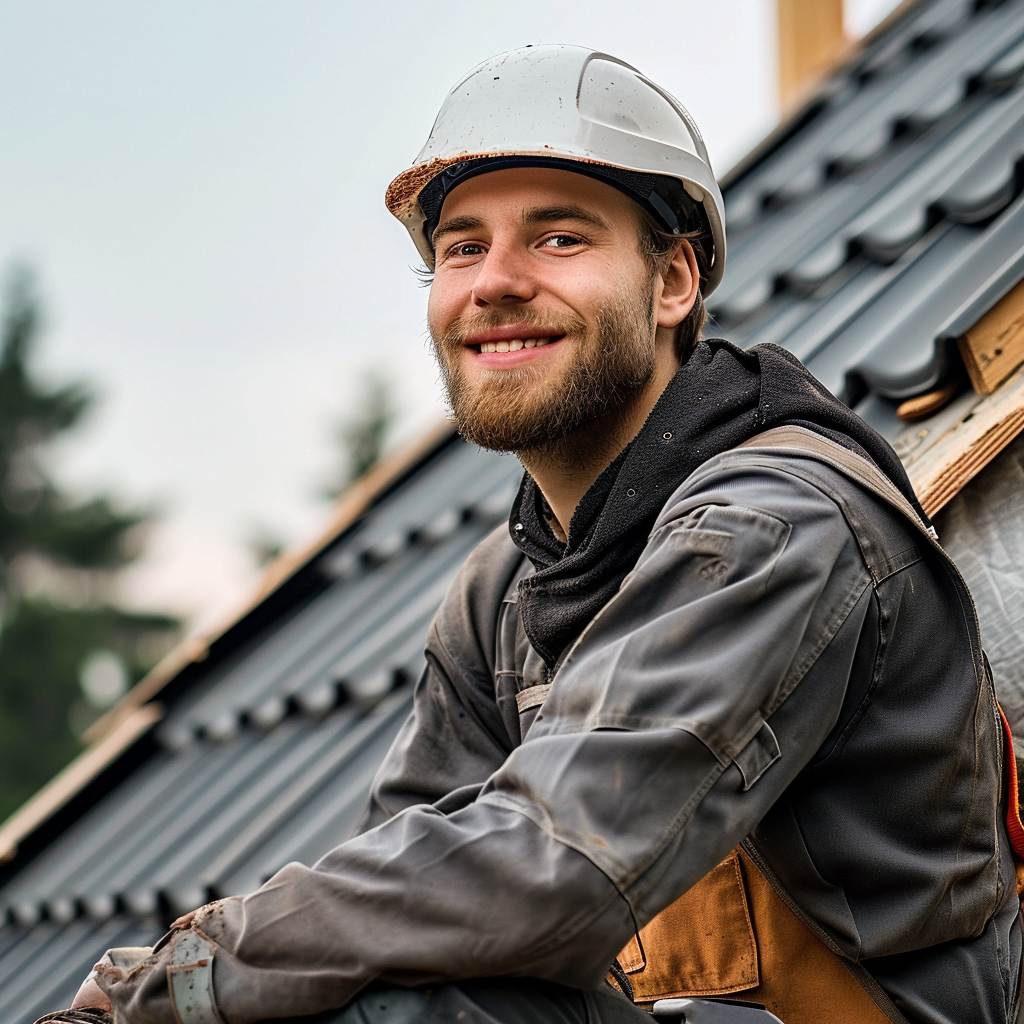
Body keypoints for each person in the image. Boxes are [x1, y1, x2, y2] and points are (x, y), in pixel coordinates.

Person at [69, 45, 1021, 1024]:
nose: (494, 282)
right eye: (460, 247)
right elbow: (392, 902)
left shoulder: (779, 524)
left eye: (559, 239)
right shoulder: (502, 589)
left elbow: (558, 864)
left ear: (673, 282)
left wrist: (189, 974)